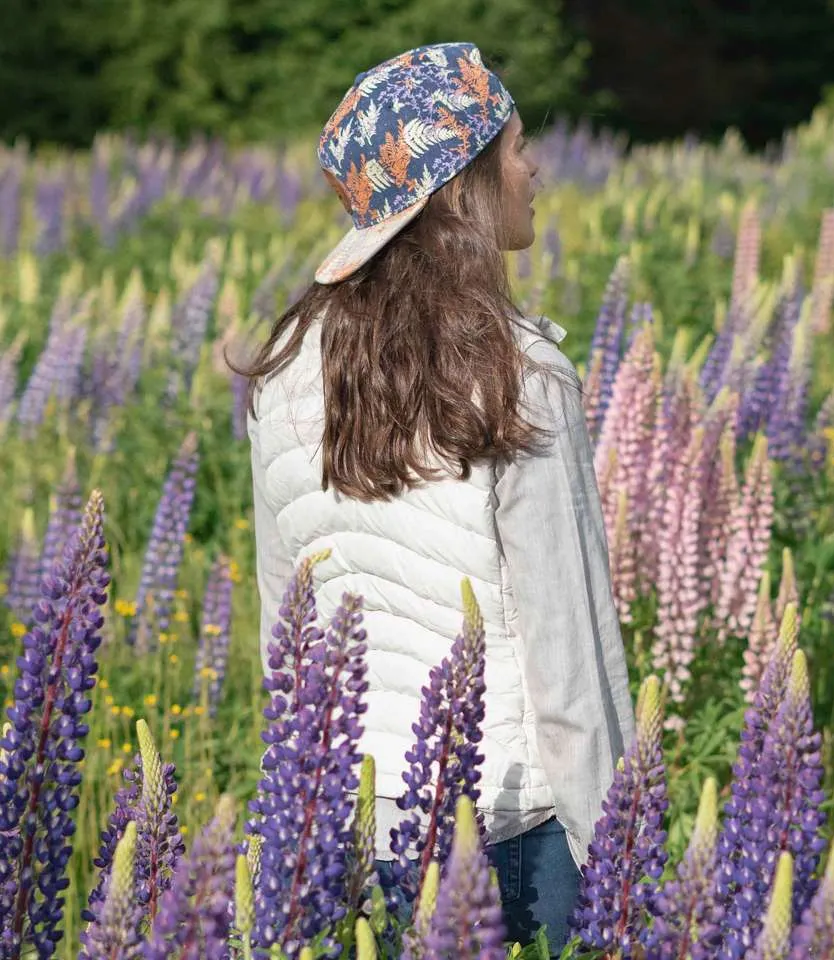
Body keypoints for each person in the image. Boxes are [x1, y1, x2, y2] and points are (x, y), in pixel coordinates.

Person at [236, 42, 635, 956]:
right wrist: (615, 863)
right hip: (509, 833)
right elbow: (571, 659)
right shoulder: (522, 376)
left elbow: (285, 633)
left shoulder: (283, 370)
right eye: (517, 147)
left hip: (338, 835)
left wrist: (301, 824)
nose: (535, 169)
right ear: (462, 186)